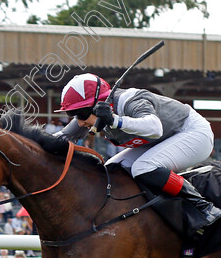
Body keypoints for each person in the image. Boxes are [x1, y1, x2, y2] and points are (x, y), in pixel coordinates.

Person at [55, 73, 221, 234]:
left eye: (81, 114)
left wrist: (114, 120)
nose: (79, 121)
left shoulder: (130, 99)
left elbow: (154, 128)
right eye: (73, 115)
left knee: (143, 167)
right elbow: (57, 139)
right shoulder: (92, 113)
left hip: (193, 132)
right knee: (110, 169)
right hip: (162, 139)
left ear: (99, 104)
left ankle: (204, 207)